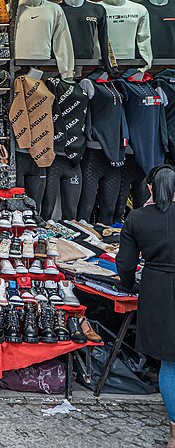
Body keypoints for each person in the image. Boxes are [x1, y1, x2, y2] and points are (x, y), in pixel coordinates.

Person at [117, 164, 175, 448]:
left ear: (150, 187)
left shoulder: (137, 218)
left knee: (170, 363)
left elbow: (125, 265)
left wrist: (128, 285)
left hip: (157, 290)